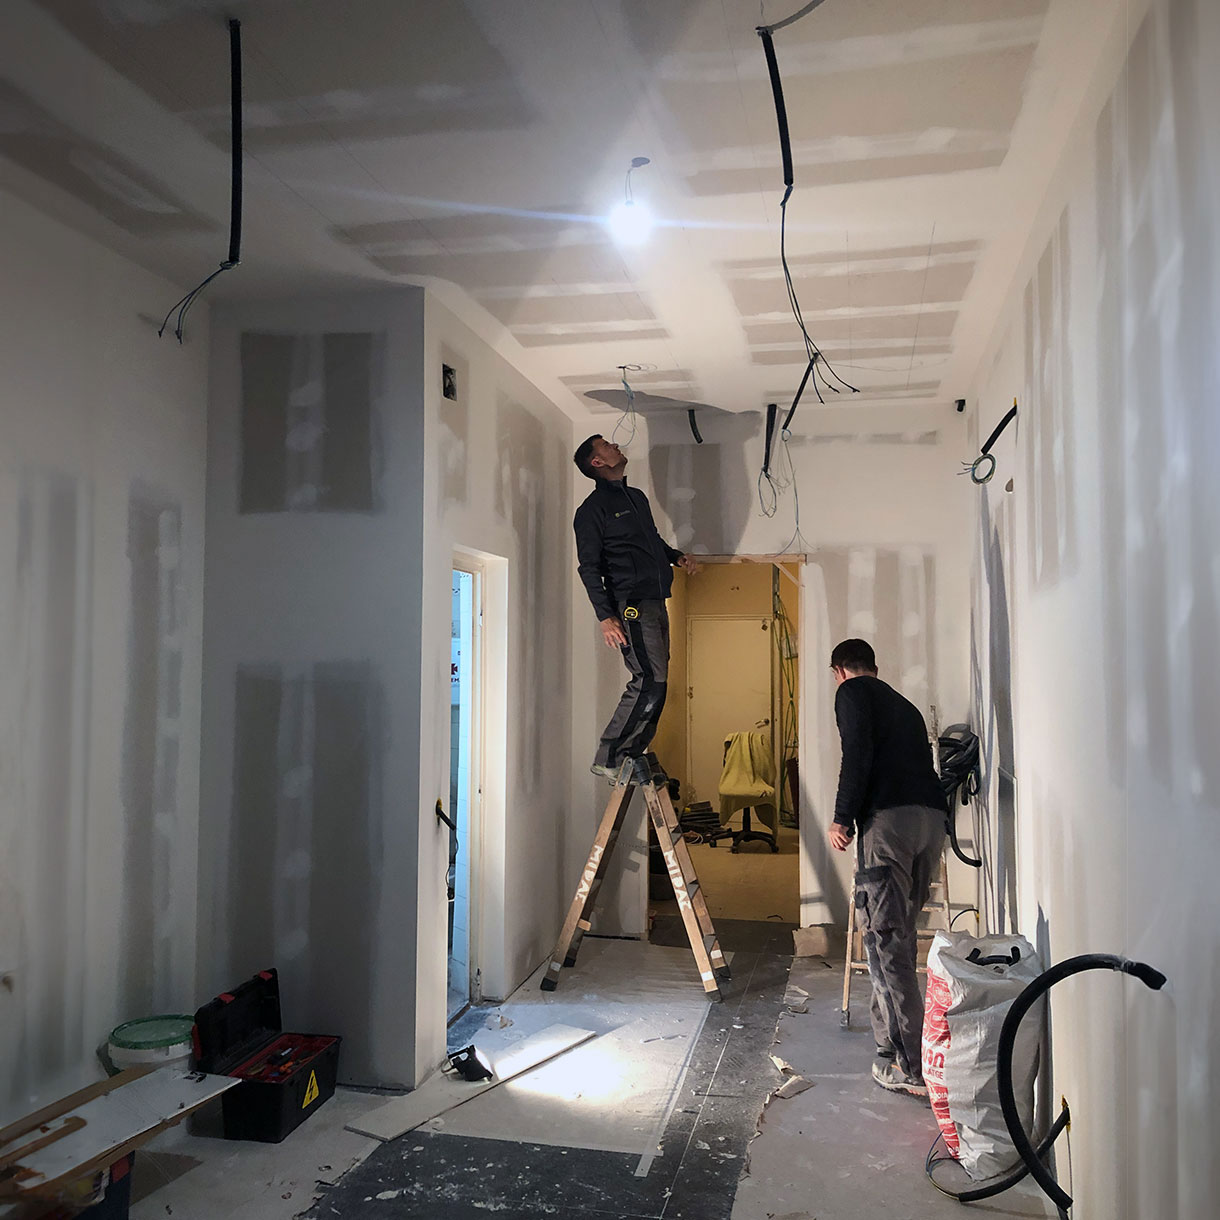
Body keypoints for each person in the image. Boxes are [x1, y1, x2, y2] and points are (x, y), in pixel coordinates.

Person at [826, 638, 947, 1098]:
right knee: (898, 934)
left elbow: (856, 754)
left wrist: (842, 816)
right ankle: (886, 1045)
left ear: (840, 670)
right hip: (930, 821)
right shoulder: (906, 706)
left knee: (885, 944)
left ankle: (913, 1067)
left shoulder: (852, 693)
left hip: (890, 824)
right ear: (874, 667)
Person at [572, 435, 698, 779]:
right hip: (631, 604)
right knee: (648, 679)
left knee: (659, 681)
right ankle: (610, 755)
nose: (615, 445)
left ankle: (628, 752)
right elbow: (588, 566)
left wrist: (675, 557)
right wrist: (605, 616)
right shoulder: (591, 511)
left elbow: (651, 541)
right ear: (597, 463)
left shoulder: (636, 498)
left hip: (656, 598)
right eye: (606, 445)